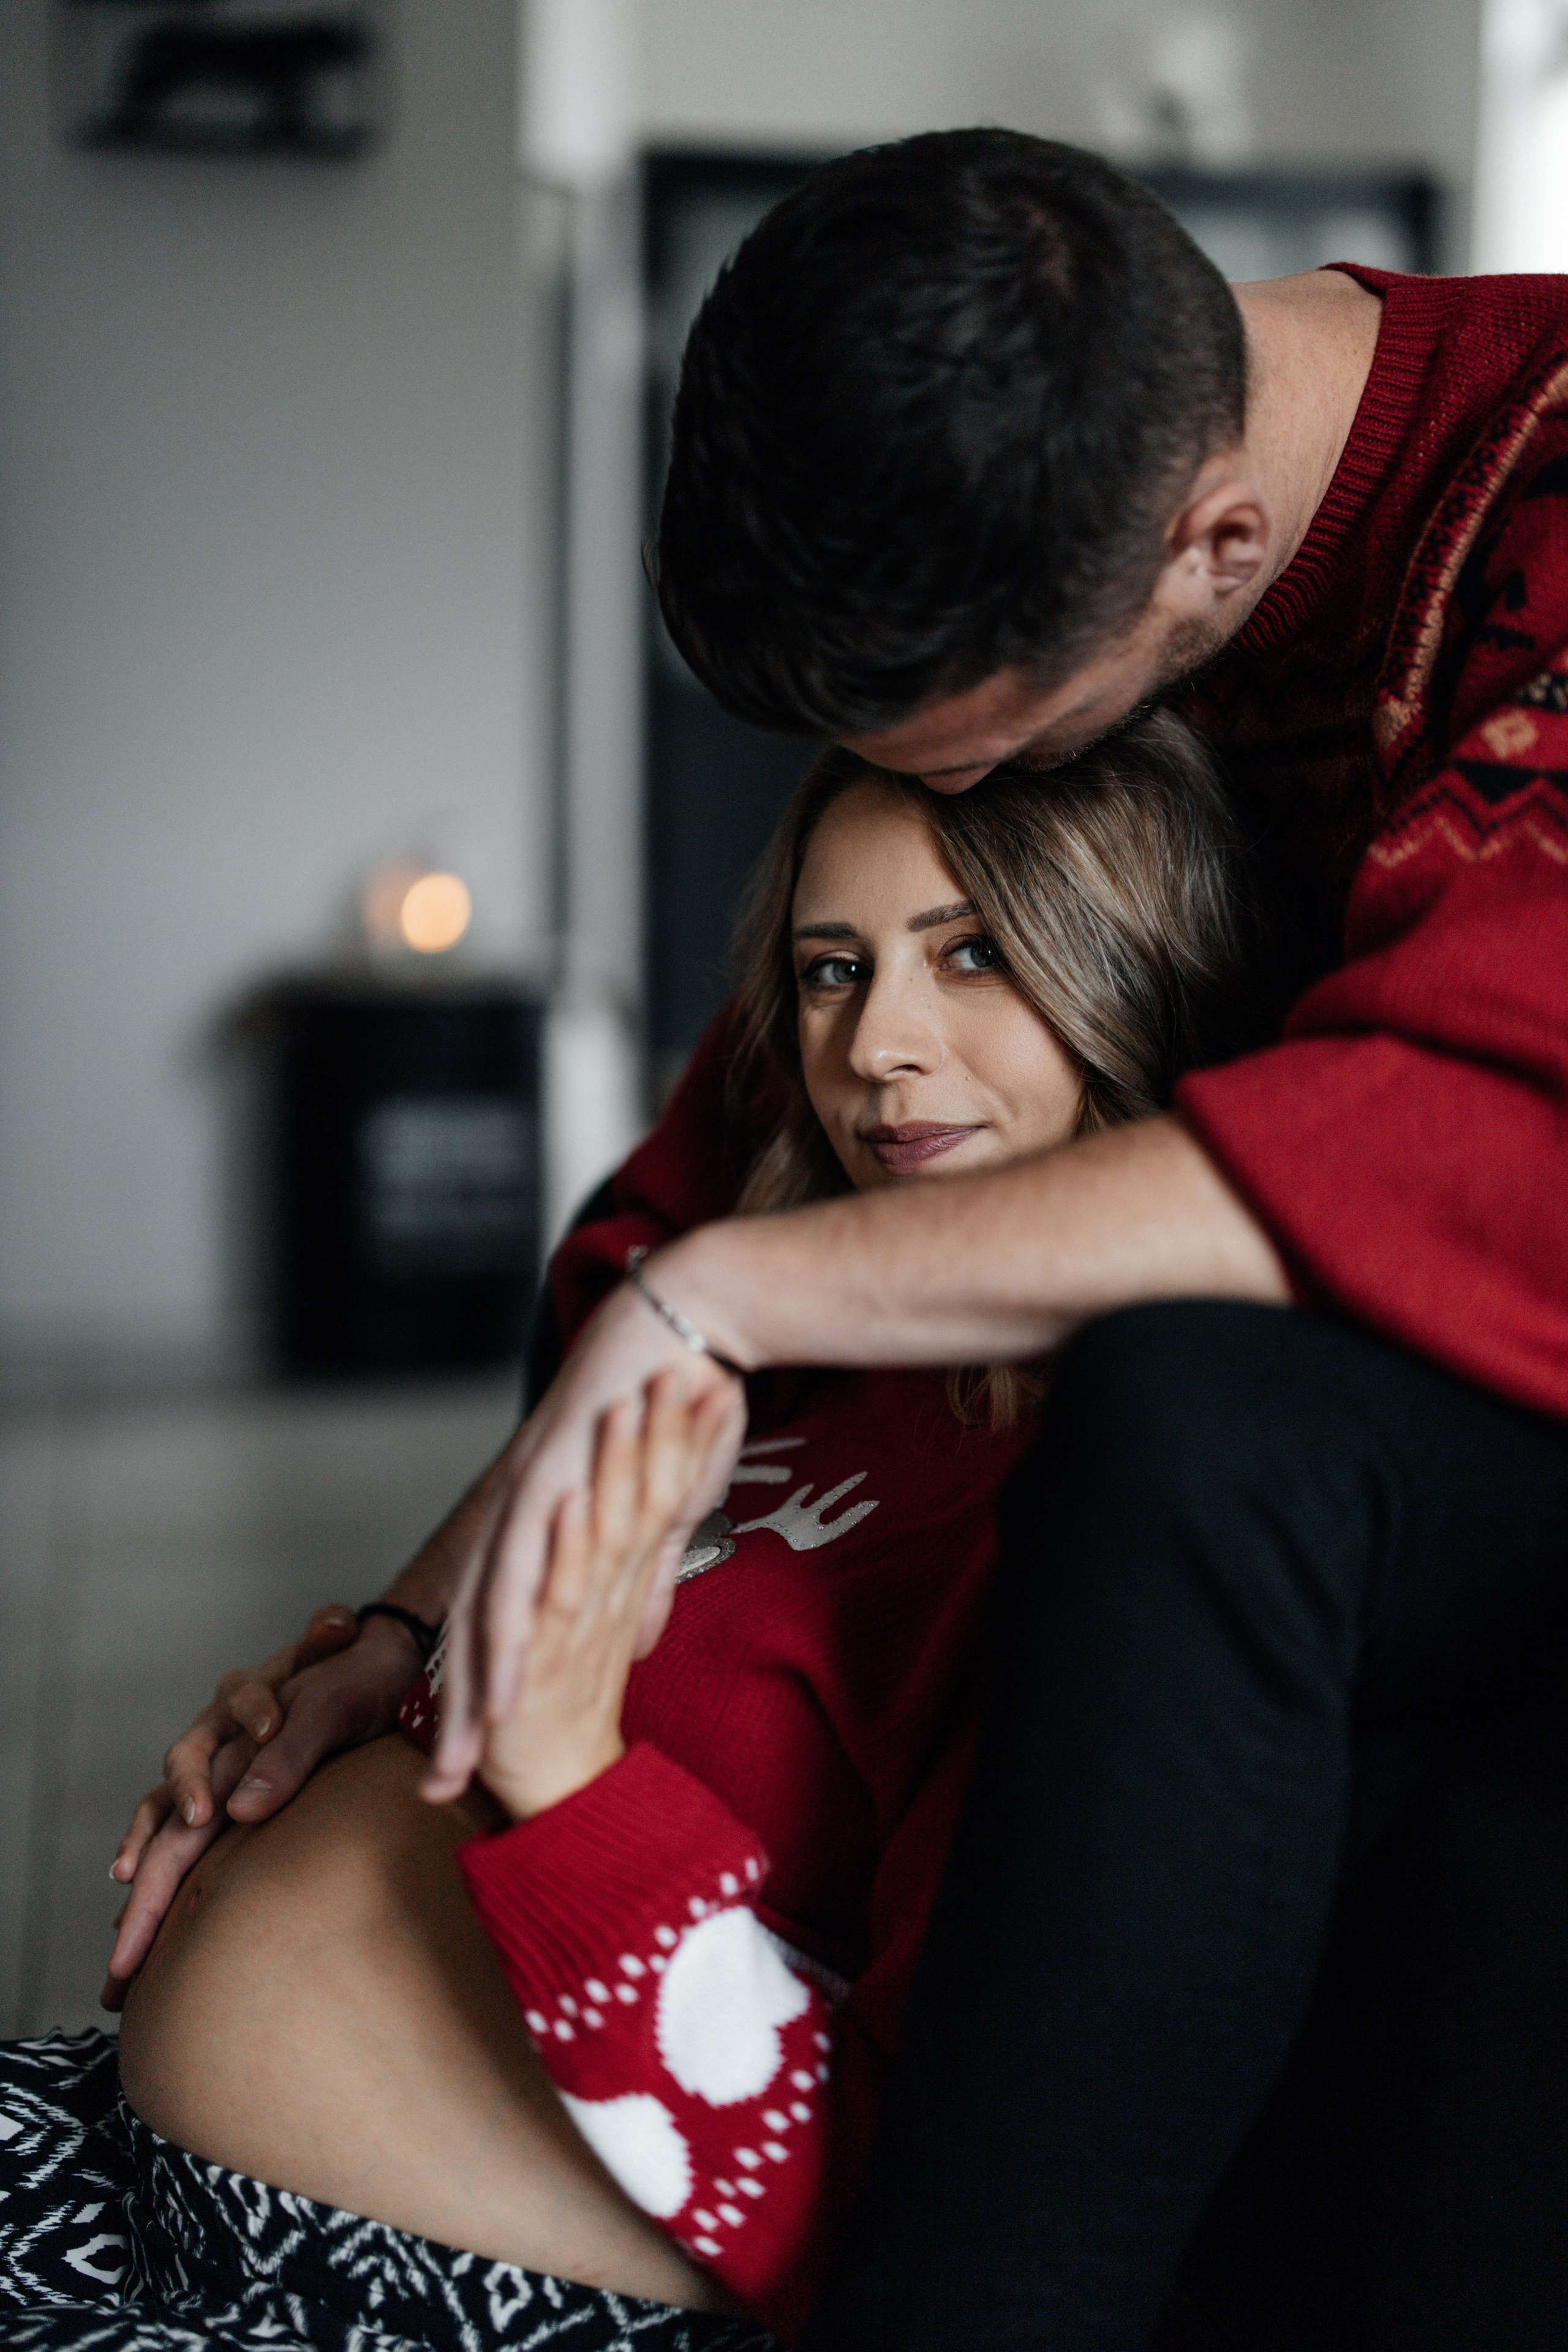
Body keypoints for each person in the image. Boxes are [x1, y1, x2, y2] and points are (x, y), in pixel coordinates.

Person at [113, 130, 1568, 2349]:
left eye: (987, 824)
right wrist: (413, 1632)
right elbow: (717, 1180)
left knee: (1200, 1437)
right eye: (832, 958)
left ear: (1223, 553)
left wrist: (595, 1708)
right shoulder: (1044, 609)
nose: (886, 1035)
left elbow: (1467, 1136)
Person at [9, 720, 1250, 2351]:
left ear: (1128, 964)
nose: (880, 1043)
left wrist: (569, 1777)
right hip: (159, 2172)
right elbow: (606, 1681)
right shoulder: (809, 1350)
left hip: (417, 2303)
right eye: (829, 970)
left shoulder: (1089, 1513)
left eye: (977, 957)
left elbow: (910, 2210)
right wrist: (368, 1685)